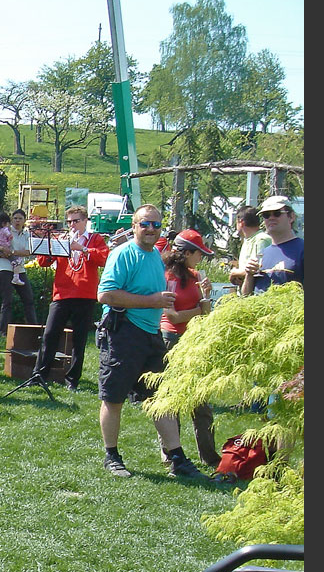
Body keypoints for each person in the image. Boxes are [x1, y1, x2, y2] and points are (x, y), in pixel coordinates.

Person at [96, 204, 207, 479]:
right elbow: (105, 295)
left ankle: (177, 458)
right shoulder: (123, 254)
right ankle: (112, 456)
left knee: (161, 398)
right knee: (114, 398)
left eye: (156, 225)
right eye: (144, 224)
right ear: (134, 226)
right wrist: (152, 301)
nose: (150, 229)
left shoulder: (155, 255)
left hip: (150, 335)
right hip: (122, 333)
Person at [159, 229, 221, 469]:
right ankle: (171, 454)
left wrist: (206, 295)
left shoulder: (195, 275)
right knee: (172, 400)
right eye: (199, 253)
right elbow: (173, 316)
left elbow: (204, 311)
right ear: (186, 253)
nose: (201, 258)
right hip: (171, 340)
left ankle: (210, 456)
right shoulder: (168, 277)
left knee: (201, 401)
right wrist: (200, 309)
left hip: (193, 339)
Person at [32, 204, 109, 391]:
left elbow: (103, 258)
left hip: (85, 294)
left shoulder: (95, 239)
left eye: (76, 221)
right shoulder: (61, 238)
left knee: (79, 339)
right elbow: (43, 262)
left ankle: (72, 380)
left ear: (85, 221)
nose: (72, 225)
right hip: (62, 293)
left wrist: (82, 248)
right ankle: (39, 375)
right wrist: (47, 243)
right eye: (69, 222)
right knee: (50, 334)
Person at [240, 195, 303, 295]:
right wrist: (249, 275)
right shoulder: (262, 254)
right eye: (266, 215)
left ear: (291, 217)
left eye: (277, 213)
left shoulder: (302, 249)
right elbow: (246, 296)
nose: (271, 218)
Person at [0, 208, 36, 336]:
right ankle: (4, 332)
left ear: (24, 220)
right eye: (15, 218)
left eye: (20, 218)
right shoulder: (6, 231)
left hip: (19, 269)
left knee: (28, 298)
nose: (17, 221)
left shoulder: (27, 234)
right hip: (4, 268)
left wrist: (12, 252)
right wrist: (2, 249)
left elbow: (28, 252)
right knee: (7, 301)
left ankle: (33, 329)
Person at [228, 205, 272, 290]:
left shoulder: (262, 240)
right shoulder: (247, 240)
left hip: (259, 293)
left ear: (241, 222)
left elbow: (260, 270)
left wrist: (234, 272)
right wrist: (238, 278)